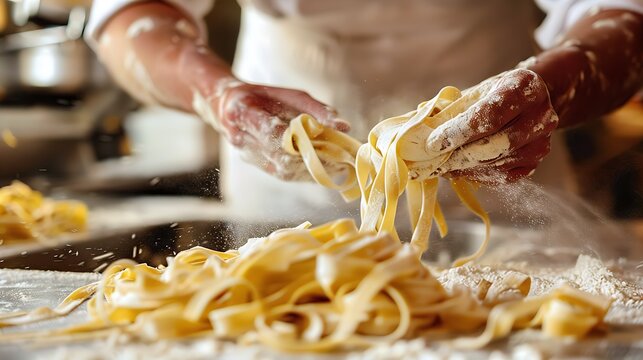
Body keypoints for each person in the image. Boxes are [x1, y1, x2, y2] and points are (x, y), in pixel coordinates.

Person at [85, 0, 643, 227]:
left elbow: (627, 16)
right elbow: (132, 18)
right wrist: (218, 94)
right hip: (287, 189)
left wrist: (552, 88)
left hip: (508, 155)